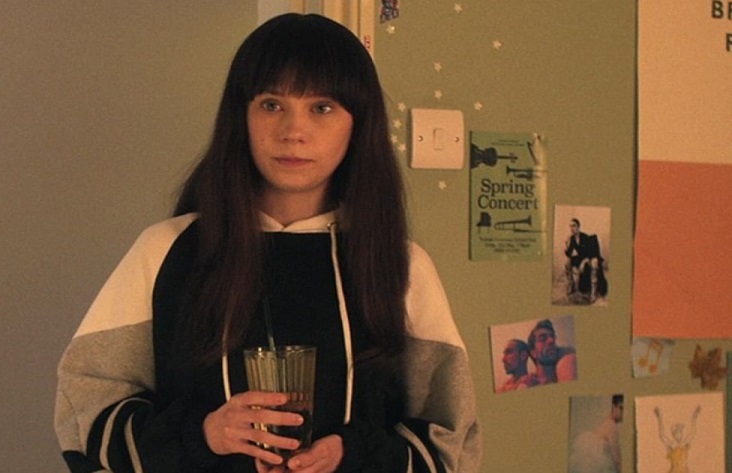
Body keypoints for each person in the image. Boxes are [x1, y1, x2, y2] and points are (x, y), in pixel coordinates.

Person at [53, 13, 481, 473]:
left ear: (358, 125)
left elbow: (452, 444)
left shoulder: (401, 266)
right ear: (242, 116)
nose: (293, 131)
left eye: (322, 108)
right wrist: (204, 435)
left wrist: (352, 455)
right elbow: (85, 411)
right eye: (272, 104)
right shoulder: (164, 252)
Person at [568, 395, 623, 473]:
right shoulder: (612, 426)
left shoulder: (607, 422)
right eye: (621, 408)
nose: (623, 413)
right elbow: (617, 459)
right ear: (613, 407)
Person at [564, 218, 607, 302]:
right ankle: (571, 285)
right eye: (570, 226)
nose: (572, 228)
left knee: (594, 263)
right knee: (567, 263)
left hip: (589, 257)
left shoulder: (585, 237)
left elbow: (591, 253)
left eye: (574, 226)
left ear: (578, 227)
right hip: (581, 257)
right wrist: (567, 245)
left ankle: (593, 292)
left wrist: (584, 262)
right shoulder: (572, 239)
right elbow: (569, 254)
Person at [527, 319, 577, 385]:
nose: (551, 340)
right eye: (542, 339)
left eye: (552, 337)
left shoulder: (570, 366)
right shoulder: (529, 385)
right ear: (533, 353)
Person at [654, 405, 700, 473]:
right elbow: (662, 435)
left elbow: (692, 432)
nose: (679, 434)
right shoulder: (672, 445)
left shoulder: (685, 444)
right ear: (674, 435)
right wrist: (659, 418)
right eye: (677, 432)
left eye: (681, 432)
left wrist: (695, 417)